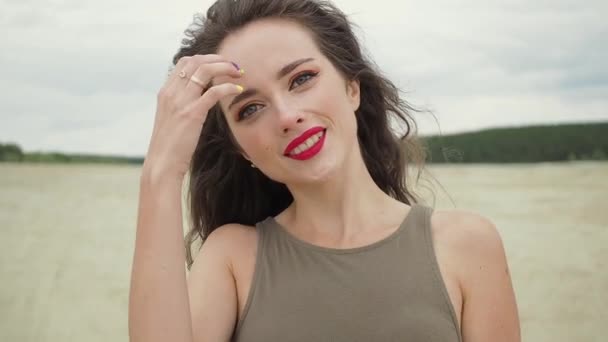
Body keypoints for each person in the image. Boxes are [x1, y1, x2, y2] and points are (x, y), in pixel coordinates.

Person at [128, 0, 521, 341]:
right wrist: (161, 174)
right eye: (250, 109)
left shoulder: (466, 245)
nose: (286, 116)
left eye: (302, 79)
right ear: (240, 149)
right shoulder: (232, 258)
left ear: (353, 88)